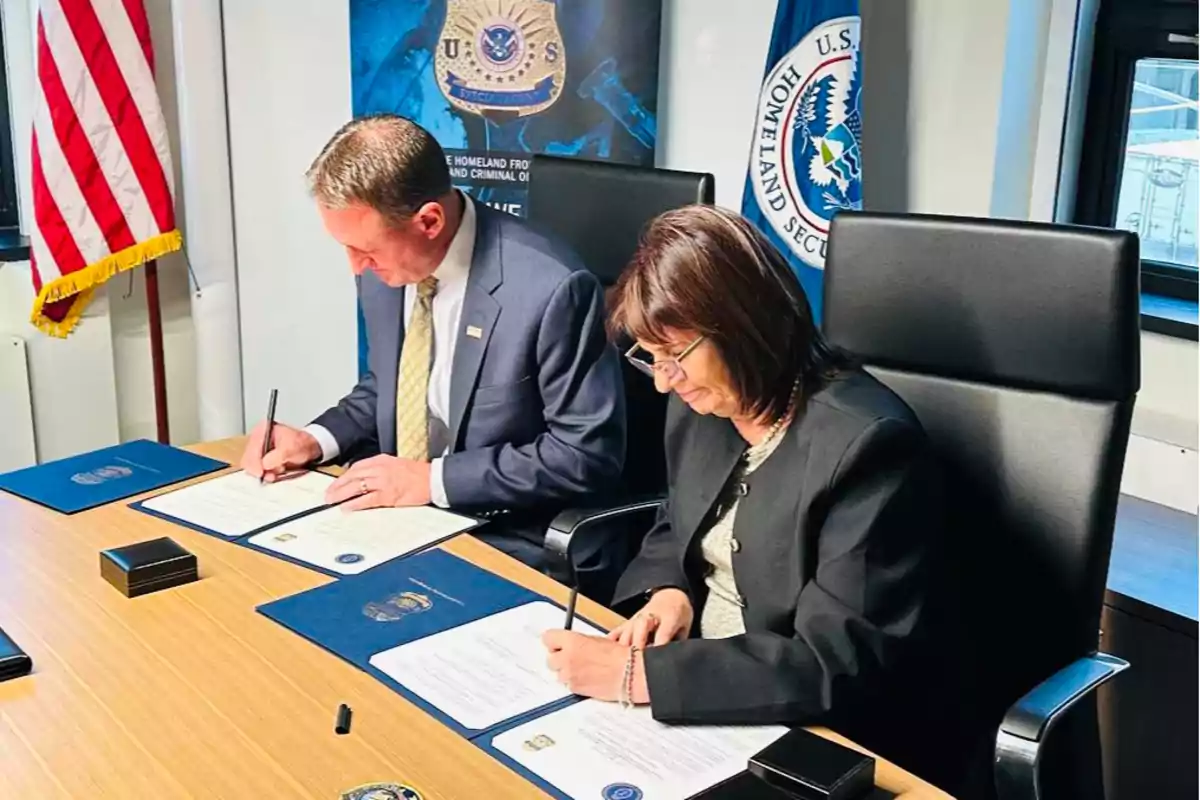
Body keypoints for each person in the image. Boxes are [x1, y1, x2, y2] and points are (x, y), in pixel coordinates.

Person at [541, 206, 964, 787]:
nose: (664, 380)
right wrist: (668, 589)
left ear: (745, 326)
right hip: (691, 700)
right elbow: (676, 518)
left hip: (803, 732)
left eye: (677, 354)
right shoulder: (703, 403)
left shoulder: (870, 447)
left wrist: (641, 676)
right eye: (650, 357)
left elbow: (833, 662)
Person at [241, 114, 626, 570]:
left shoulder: (551, 288)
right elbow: (389, 385)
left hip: (504, 531)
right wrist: (314, 440)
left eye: (365, 250)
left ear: (429, 221)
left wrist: (432, 480)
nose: (355, 268)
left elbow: (584, 454)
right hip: (395, 521)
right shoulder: (385, 270)